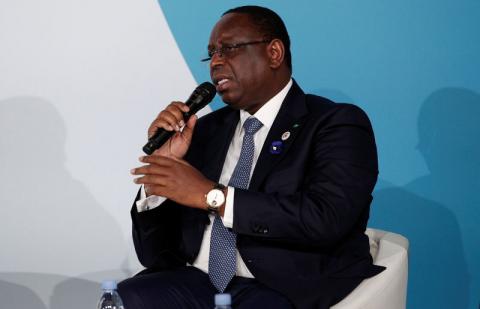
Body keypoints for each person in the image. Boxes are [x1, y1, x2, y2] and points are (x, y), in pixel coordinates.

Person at [119, 5, 384, 309]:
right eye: (211, 54)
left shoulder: (335, 123)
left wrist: (212, 196)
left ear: (274, 53)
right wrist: (161, 176)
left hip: (281, 287)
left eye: (228, 49)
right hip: (197, 280)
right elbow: (155, 255)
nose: (215, 62)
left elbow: (325, 218)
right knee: (125, 298)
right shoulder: (204, 130)